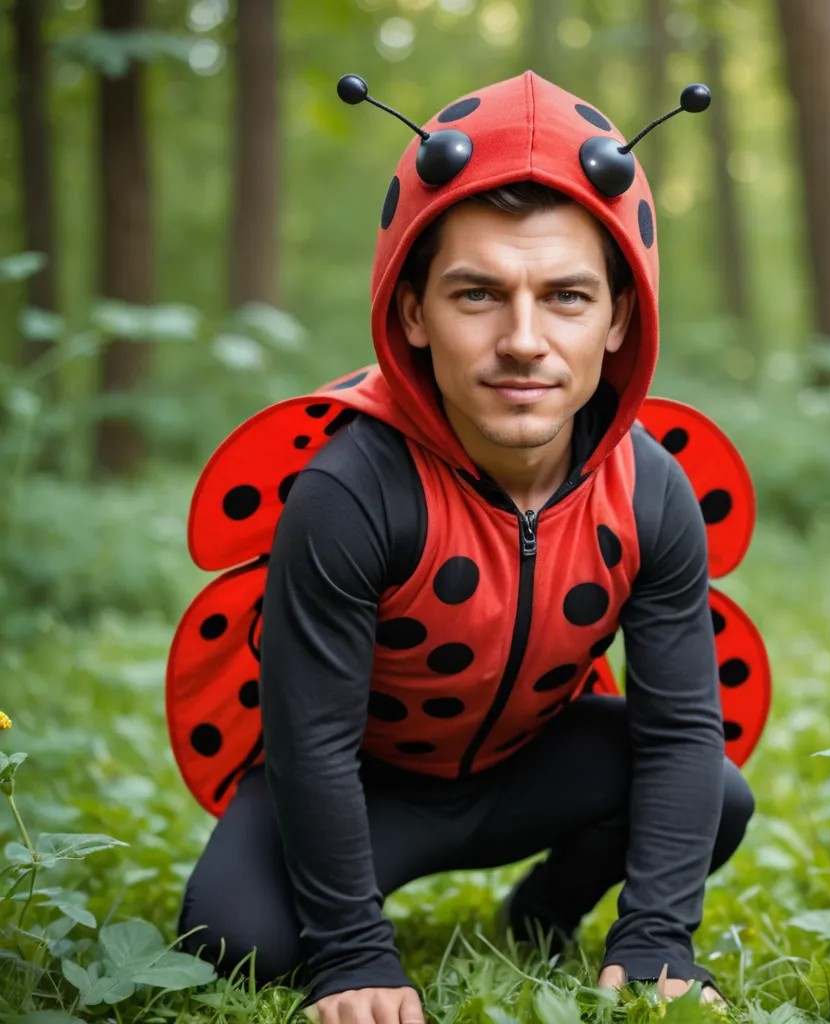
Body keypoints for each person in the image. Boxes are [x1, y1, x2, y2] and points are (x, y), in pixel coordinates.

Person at [171, 70, 767, 1024]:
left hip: (533, 767)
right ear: (412, 313)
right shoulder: (349, 491)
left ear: (620, 317)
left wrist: (658, 933)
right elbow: (310, 743)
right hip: (363, 785)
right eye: (477, 294)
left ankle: (539, 916)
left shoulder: (651, 489)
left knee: (717, 796)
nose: (523, 340)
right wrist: (354, 957)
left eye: (567, 297)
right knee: (230, 940)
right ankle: (340, 915)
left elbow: (680, 727)